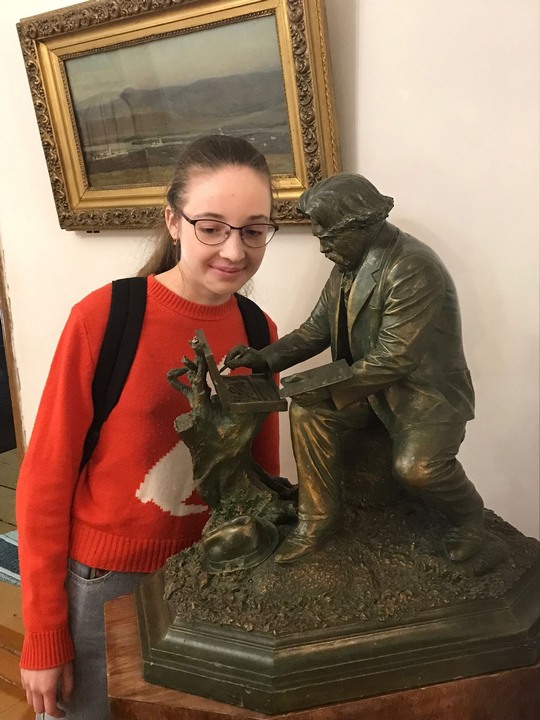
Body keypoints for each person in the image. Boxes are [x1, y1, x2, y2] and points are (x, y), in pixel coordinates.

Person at [16, 135, 280, 719]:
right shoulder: (104, 318)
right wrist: (44, 632)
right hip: (108, 584)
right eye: (211, 227)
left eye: (254, 230)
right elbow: (45, 481)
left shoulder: (260, 332)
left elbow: (259, 476)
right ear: (174, 222)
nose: (234, 250)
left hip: (215, 576)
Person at [225, 173, 485, 565]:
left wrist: (326, 387)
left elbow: (395, 357)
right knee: (308, 411)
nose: (322, 248)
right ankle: (318, 518)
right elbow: (315, 330)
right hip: (370, 387)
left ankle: (469, 520)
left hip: (422, 397)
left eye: (328, 238)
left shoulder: (412, 268)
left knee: (417, 470)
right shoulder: (347, 265)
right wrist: (263, 359)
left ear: (360, 226)